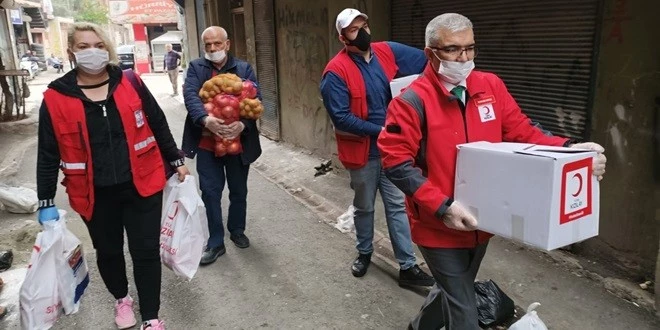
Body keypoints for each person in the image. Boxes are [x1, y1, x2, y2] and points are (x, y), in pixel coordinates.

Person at [377, 13, 608, 330]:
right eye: (453, 50)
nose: (465, 58)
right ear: (430, 53)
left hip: (481, 221)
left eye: (470, 48)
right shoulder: (412, 102)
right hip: (437, 225)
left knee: (452, 288)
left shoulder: (490, 86)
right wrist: (442, 207)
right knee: (464, 310)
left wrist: (570, 148)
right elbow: (395, 161)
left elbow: (524, 132)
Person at [36, 22, 189, 330]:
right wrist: (45, 200)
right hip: (94, 192)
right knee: (108, 253)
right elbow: (48, 153)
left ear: (107, 49)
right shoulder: (55, 98)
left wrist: (175, 159)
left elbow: (157, 123)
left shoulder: (130, 82)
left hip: (142, 184)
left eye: (98, 45)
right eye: (83, 46)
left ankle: (151, 317)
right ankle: (122, 299)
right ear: (71, 52)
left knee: (145, 251)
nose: (92, 51)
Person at [319, 8, 434, 287]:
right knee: (364, 207)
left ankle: (407, 266)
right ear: (342, 37)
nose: (363, 33)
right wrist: (380, 131)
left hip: (393, 151)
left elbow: (428, 60)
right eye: (354, 30)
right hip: (364, 153)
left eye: (364, 25)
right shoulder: (335, 72)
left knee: (397, 206)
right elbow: (341, 117)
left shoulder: (387, 52)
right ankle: (364, 252)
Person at [183, 26, 262, 265]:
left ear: (227, 44)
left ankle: (237, 230)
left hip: (238, 144)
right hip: (207, 144)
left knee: (238, 190)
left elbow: (255, 99)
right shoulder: (197, 68)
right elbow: (190, 96)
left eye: (217, 44)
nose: (212, 49)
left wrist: (243, 124)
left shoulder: (243, 68)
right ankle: (216, 242)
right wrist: (206, 119)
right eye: (208, 45)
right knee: (210, 192)